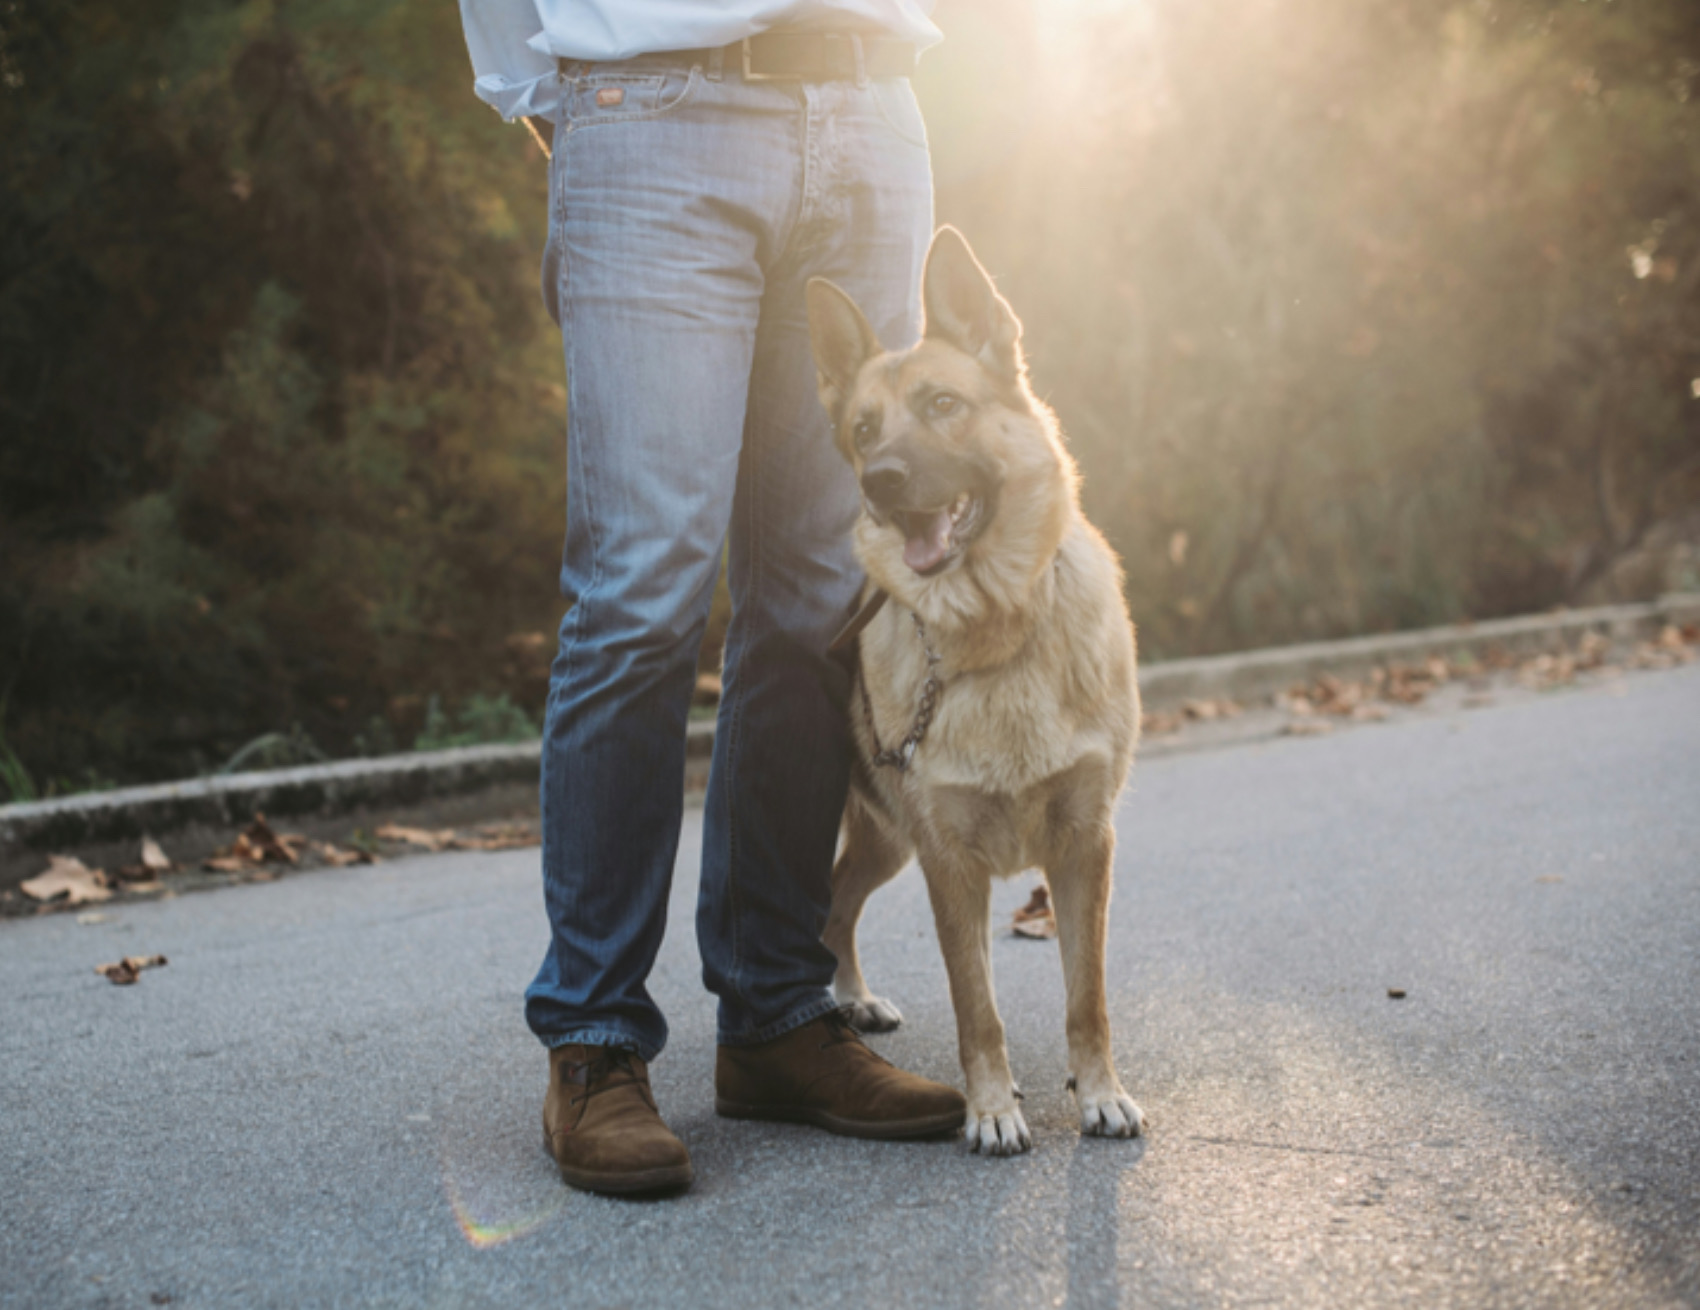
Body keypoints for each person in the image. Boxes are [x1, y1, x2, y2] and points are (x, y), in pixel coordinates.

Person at [458, 2, 967, 1196]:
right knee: (644, 586)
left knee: (818, 595)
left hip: (869, 108)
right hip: (651, 114)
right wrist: (548, 95)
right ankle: (591, 1039)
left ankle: (778, 1013)